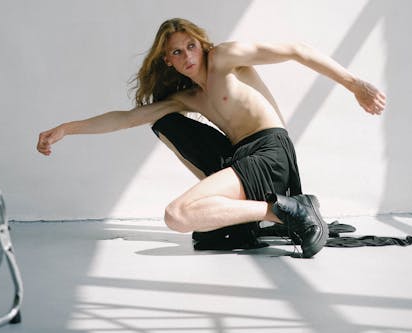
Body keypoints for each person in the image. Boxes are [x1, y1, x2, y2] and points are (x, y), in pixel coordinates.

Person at [37, 18, 386, 258]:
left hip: (270, 153)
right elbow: (127, 119)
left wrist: (355, 85)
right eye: (176, 52)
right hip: (242, 157)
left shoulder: (224, 58)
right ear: (167, 61)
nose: (187, 56)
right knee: (165, 121)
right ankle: (280, 213)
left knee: (177, 215)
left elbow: (296, 50)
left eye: (190, 46)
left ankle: (289, 211)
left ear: (201, 45)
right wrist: (67, 128)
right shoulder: (188, 97)